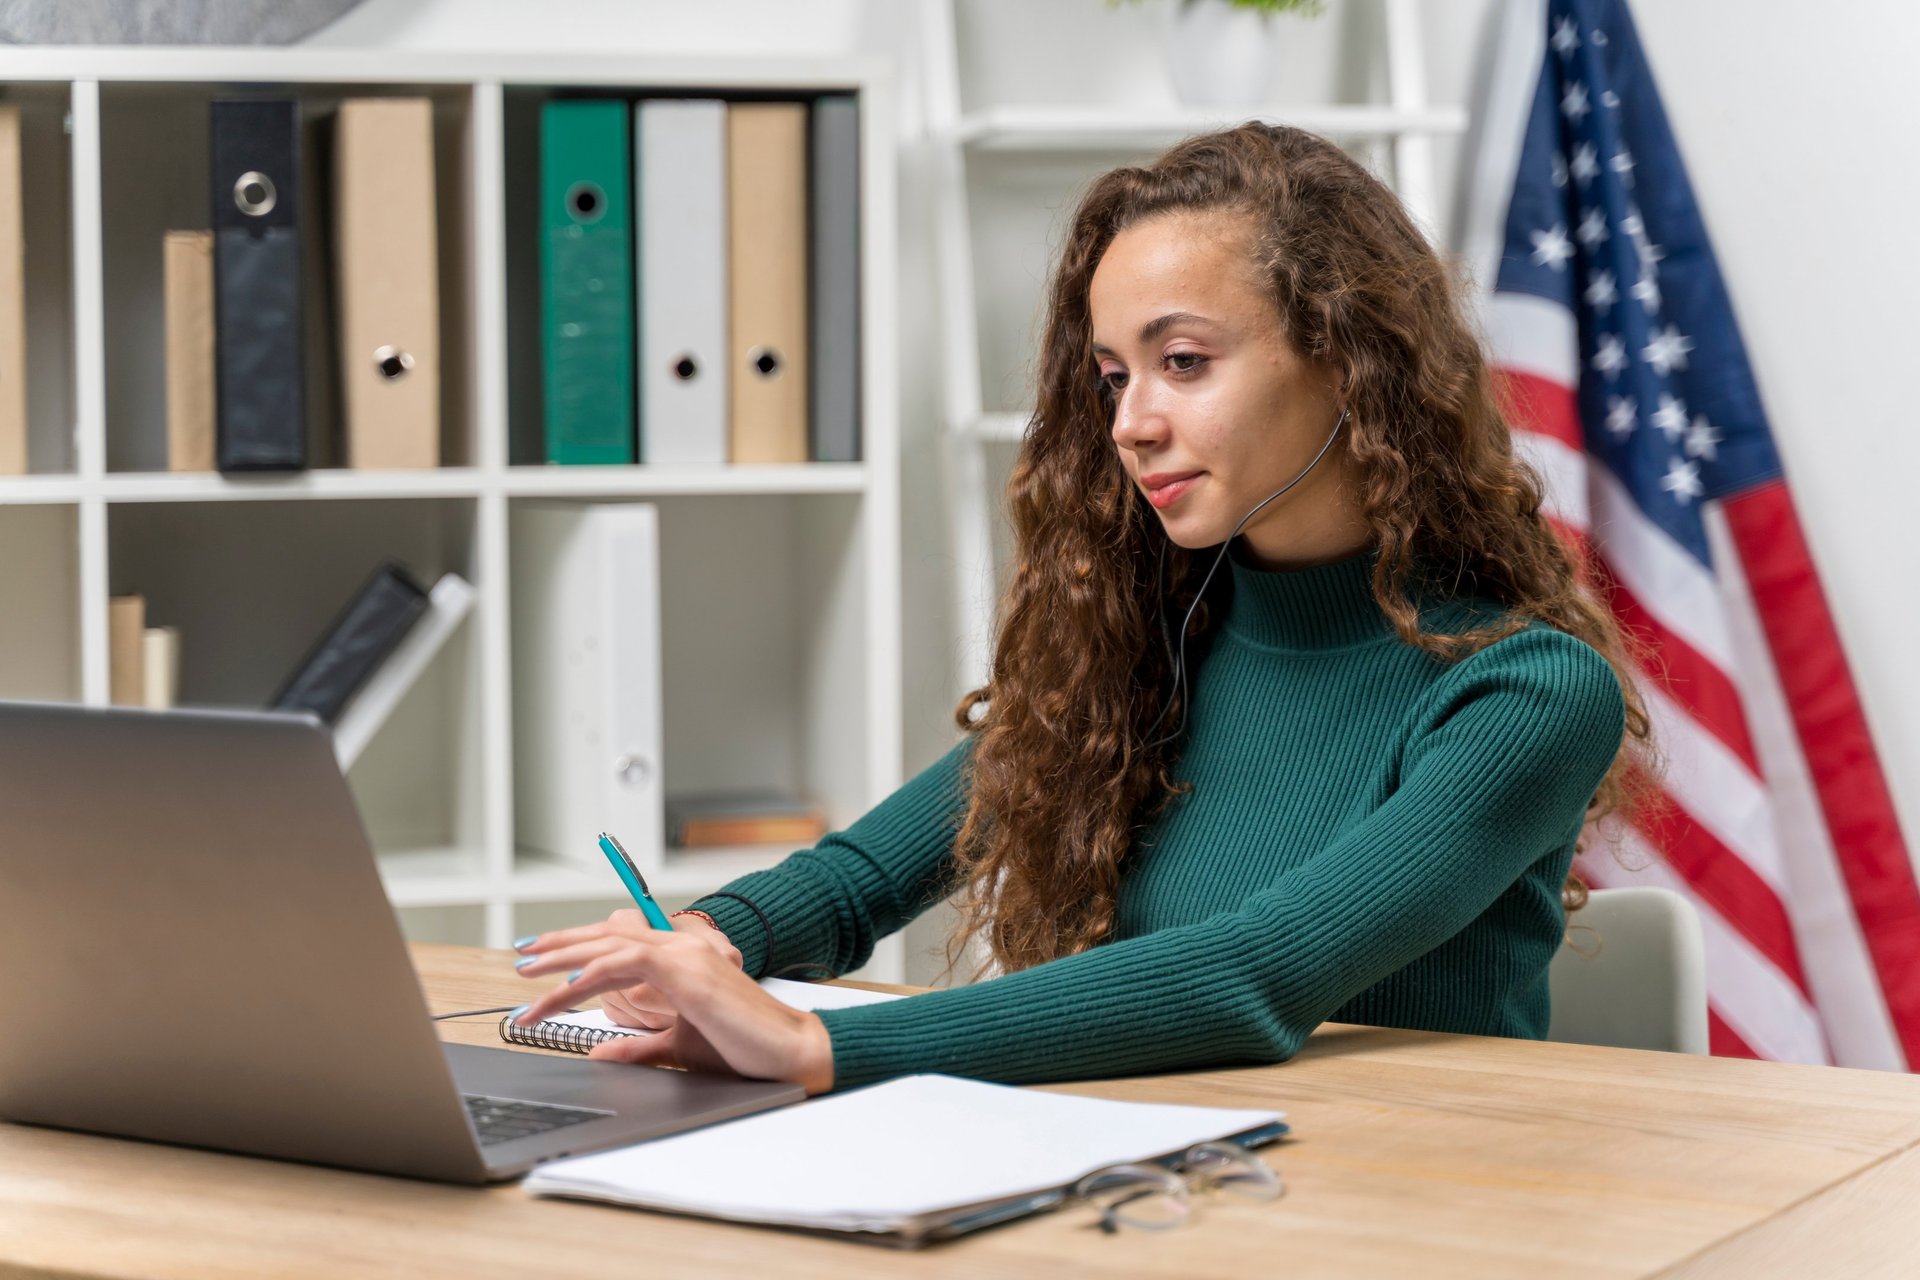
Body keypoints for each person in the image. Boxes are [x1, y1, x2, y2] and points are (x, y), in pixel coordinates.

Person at [509, 122, 1651, 1097]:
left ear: (1353, 361)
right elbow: (866, 876)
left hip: (1419, 1215)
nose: (1131, 422)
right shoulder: (1152, 643)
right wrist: (701, 943)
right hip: (1164, 1184)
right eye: (1114, 376)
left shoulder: (1526, 692)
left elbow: (1258, 972)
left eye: (1185, 361)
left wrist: (815, 1042)